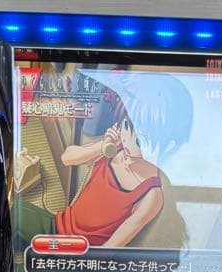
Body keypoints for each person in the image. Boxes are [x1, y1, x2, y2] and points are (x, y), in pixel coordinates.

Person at [16, 75, 193, 249]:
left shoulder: (151, 196)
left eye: (140, 140)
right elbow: (67, 158)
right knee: (11, 210)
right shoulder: (116, 147)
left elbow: (111, 247)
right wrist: (102, 146)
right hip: (57, 223)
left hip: (75, 250)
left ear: (168, 146)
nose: (127, 139)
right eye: (126, 126)